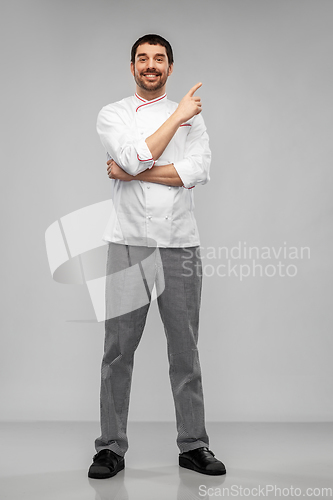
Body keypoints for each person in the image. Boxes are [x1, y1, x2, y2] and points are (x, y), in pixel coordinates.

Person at [88, 34, 226, 479]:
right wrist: (175, 124)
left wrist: (137, 170)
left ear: (169, 66)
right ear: (132, 67)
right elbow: (130, 154)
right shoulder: (113, 114)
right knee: (117, 351)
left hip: (180, 244)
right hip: (128, 243)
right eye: (143, 58)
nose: (151, 65)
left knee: (185, 351)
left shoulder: (192, 116)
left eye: (159, 58)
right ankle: (110, 447)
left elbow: (198, 170)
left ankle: (194, 445)